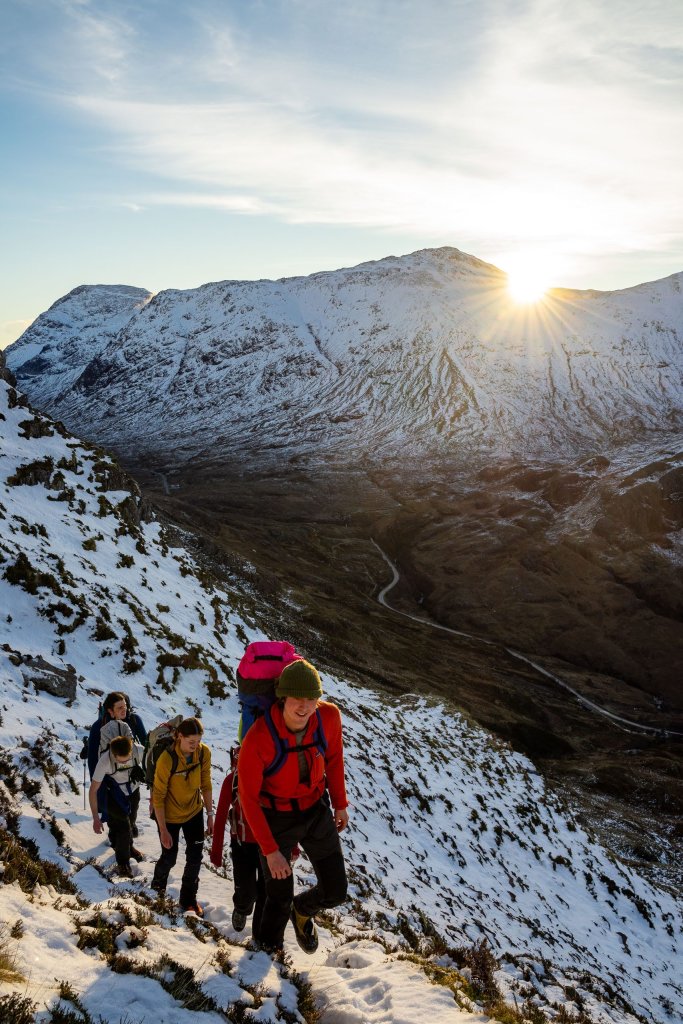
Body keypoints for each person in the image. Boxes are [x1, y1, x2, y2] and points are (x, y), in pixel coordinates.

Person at [238, 659, 349, 954]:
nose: (305, 706)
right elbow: (248, 799)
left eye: (312, 698)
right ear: (282, 697)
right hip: (276, 818)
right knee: (278, 897)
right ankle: (265, 952)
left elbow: (334, 760)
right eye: (298, 699)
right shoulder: (258, 738)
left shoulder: (329, 717)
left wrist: (340, 804)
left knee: (336, 890)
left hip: (315, 809)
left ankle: (302, 910)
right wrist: (270, 851)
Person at [151, 717, 213, 916]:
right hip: (169, 816)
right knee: (169, 857)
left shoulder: (203, 753)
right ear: (179, 736)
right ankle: (157, 889)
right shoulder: (167, 759)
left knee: (195, 857)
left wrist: (210, 814)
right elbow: (158, 796)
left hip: (194, 811)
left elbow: (206, 784)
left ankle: (188, 900)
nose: (195, 745)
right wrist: (163, 830)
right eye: (191, 741)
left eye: (198, 741)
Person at [211, 750, 266, 939]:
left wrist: (292, 847)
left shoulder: (271, 778)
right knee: (246, 889)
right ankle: (242, 908)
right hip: (242, 844)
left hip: (268, 845)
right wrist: (216, 852)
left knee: (266, 892)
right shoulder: (232, 781)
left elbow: (286, 813)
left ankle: (261, 936)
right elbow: (220, 816)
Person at [87, 691, 147, 835]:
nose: (124, 710)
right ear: (110, 710)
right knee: (118, 821)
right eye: (119, 708)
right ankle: (119, 839)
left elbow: (145, 744)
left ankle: (129, 828)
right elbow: (93, 759)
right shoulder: (99, 726)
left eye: (125, 707)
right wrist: (98, 785)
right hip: (110, 781)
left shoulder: (134, 720)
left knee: (132, 811)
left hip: (131, 777)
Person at [89, 734, 145, 877]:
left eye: (128, 758)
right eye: (122, 760)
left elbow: (153, 768)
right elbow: (93, 790)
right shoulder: (104, 761)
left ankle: (127, 846)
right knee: (123, 828)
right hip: (114, 793)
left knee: (131, 821)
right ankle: (123, 864)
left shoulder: (139, 751)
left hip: (133, 789)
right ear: (114, 755)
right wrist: (95, 818)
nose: (125, 761)